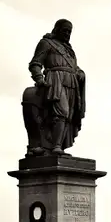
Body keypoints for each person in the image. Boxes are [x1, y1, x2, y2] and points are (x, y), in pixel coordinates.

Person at [28, 19, 86, 155]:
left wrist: (80, 72)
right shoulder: (46, 43)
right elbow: (35, 63)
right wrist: (39, 79)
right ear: (57, 29)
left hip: (72, 84)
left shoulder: (69, 50)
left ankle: (57, 145)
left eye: (69, 31)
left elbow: (74, 67)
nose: (67, 34)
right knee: (62, 112)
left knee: (69, 116)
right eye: (64, 30)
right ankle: (55, 147)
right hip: (55, 81)